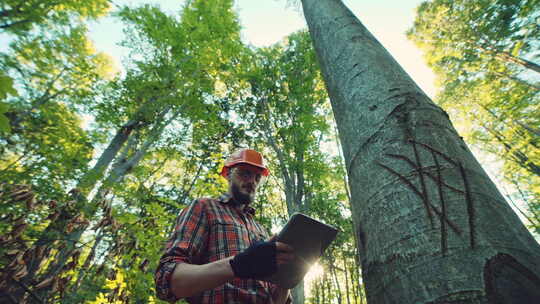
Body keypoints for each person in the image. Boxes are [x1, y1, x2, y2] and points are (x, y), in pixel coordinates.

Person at [155, 148, 295, 303]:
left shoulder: (260, 229)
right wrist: (237, 266)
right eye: (245, 173)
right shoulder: (205, 207)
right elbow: (166, 282)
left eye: (257, 177)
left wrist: (287, 277)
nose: (252, 182)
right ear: (228, 174)